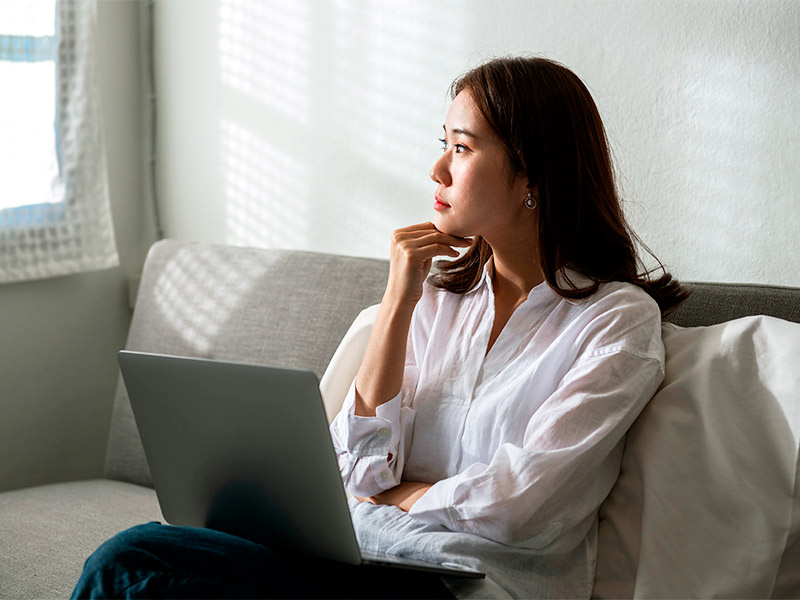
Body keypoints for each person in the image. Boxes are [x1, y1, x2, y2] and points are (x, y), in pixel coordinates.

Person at [71, 56, 687, 599]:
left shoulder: (615, 320)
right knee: (138, 554)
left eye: (463, 148)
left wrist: (401, 495)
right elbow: (358, 469)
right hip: (357, 561)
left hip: (466, 584)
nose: (437, 170)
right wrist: (397, 303)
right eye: (442, 142)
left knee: (137, 571)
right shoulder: (440, 299)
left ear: (533, 176)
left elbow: (521, 502)